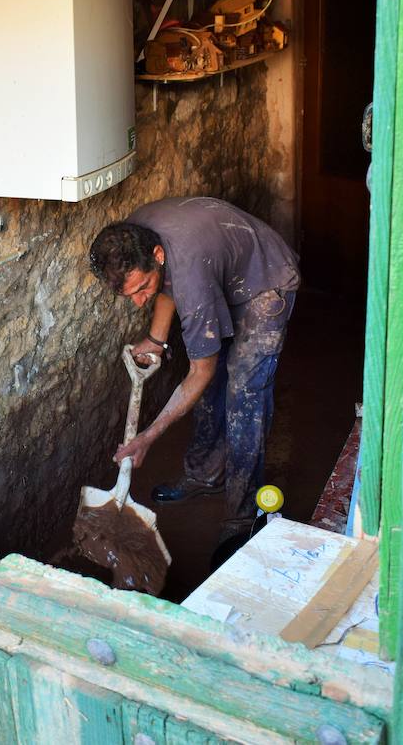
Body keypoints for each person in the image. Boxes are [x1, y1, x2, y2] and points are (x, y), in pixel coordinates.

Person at [88, 196, 299, 566]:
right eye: (131, 294)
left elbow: (199, 370)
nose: (139, 302)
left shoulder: (190, 277)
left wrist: (148, 437)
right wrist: (156, 338)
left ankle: (241, 515)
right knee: (211, 383)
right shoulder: (136, 234)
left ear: (157, 255)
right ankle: (204, 475)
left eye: (142, 289)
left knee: (242, 395)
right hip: (218, 270)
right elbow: (165, 283)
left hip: (266, 283)